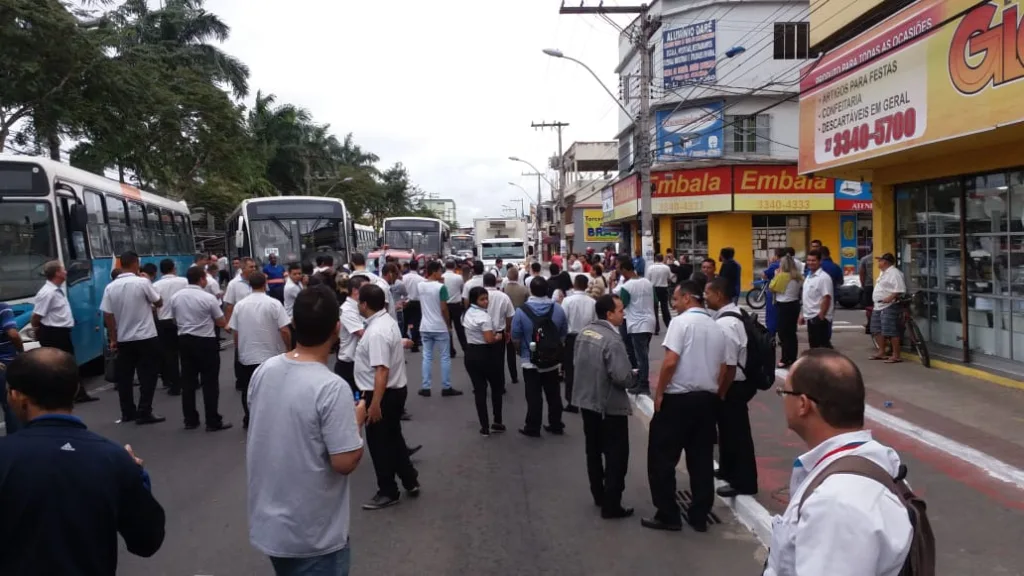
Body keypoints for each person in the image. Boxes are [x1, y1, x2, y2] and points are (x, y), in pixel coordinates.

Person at [0, 348, 165, 574]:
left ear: (18, 397)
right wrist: (137, 477)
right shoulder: (113, 458)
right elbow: (147, 541)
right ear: (76, 388)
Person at [247, 285, 366, 575]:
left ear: (295, 324)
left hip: (270, 524)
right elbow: (344, 461)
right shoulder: (331, 387)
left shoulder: (265, 370)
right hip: (313, 535)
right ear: (337, 329)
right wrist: (356, 420)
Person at [763, 349, 913, 576]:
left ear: (803, 404)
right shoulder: (871, 461)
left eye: (784, 393)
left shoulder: (836, 503)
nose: (782, 399)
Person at [643, 280, 727, 533]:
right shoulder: (716, 326)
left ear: (688, 298)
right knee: (701, 460)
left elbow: (670, 362)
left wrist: (659, 394)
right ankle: (699, 515)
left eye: (676, 299)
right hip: (706, 400)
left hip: (679, 399)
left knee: (661, 458)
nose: (674, 305)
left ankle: (668, 514)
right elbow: (724, 366)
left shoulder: (681, 323)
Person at [353, 284, 420, 510]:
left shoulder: (377, 332)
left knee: (379, 444)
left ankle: (388, 490)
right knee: (393, 438)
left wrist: (375, 403)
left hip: (383, 392)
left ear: (364, 304)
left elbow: (382, 370)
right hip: (392, 390)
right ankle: (409, 479)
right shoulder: (385, 322)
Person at [573, 294, 637, 519]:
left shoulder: (585, 332)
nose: (624, 314)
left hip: (587, 401)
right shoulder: (613, 340)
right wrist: (633, 377)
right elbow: (622, 377)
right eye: (620, 310)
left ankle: (598, 494)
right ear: (609, 314)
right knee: (616, 456)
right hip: (609, 406)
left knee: (593, 450)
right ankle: (612, 504)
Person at [705, 277, 758, 498]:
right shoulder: (736, 313)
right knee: (727, 431)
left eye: (708, 293)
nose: (705, 297)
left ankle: (743, 482)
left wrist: (721, 392)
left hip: (734, 385)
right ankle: (727, 470)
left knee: (736, 433)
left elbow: (728, 366)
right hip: (738, 382)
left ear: (719, 295)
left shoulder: (725, 324)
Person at [101, 250, 166, 425]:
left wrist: (114, 338)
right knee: (148, 375)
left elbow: (107, 314)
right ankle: (145, 410)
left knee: (125, 377)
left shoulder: (110, 287)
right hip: (146, 336)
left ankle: (127, 412)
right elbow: (158, 301)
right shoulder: (142, 282)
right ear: (136, 263)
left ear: (121, 264)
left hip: (124, 338)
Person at [169, 267, 231, 431]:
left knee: (188, 382)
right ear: (202, 279)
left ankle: (190, 419)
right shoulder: (208, 298)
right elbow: (220, 321)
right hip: (205, 341)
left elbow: (174, 319)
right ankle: (212, 420)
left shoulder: (176, 297)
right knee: (210, 382)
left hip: (184, 340)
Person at [230, 272, 292, 429]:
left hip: (247, 354)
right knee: (273, 388)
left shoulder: (240, 305)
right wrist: (288, 348)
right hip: (271, 354)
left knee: (248, 388)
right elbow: (284, 330)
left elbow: (235, 331)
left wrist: (238, 348)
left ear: (250, 285)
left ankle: (249, 417)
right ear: (265, 284)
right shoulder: (274, 304)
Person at [31, 260, 97, 403]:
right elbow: (36, 316)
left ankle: (78, 393)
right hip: (53, 333)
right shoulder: (47, 293)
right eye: (63, 270)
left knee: (68, 363)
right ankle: (55, 396)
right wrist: (37, 330)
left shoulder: (57, 290)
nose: (66, 272)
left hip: (61, 332)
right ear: (57, 273)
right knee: (57, 365)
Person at [511, 276, 568, 437]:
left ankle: (533, 426)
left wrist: (521, 351)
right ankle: (556, 423)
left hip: (530, 360)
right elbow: (563, 334)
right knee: (553, 394)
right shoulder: (558, 309)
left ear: (530, 290)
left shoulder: (521, 311)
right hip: (552, 360)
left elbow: (515, 336)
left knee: (533, 395)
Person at [463, 286, 506, 435]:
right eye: (482, 299)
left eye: (486, 298)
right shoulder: (484, 317)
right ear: (476, 300)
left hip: (470, 354)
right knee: (496, 388)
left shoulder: (467, 313)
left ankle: (484, 426)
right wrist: (498, 337)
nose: (486, 301)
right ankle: (497, 420)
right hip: (487, 354)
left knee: (479, 390)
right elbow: (489, 339)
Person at [417, 260, 460, 397]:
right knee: (445, 357)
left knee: (427, 357)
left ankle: (426, 387)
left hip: (425, 326)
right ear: (435, 272)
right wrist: (448, 325)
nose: (441, 273)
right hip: (439, 326)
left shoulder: (420, 286)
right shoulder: (441, 288)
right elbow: (443, 308)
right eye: (440, 271)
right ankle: (446, 387)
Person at [614, 254, 656, 393]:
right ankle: (639, 380)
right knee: (643, 354)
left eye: (620, 269)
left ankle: (643, 384)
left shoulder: (627, 286)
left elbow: (622, 305)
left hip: (636, 324)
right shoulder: (647, 282)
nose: (619, 271)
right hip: (649, 322)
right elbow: (655, 301)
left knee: (640, 356)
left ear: (625, 269)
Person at [560, 274, 596, 414]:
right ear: (586, 286)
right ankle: (586, 400)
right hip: (587, 336)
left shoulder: (567, 301)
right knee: (586, 369)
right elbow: (595, 321)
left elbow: (563, 320)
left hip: (571, 337)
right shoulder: (592, 302)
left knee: (570, 370)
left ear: (575, 284)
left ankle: (572, 401)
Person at [151, 259, 187, 397]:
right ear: (174, 268)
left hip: (164, 322)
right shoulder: (184, 282)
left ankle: (175, 385)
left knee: (170, 355)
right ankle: (189, 381)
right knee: (185, 353)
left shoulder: (156, 285)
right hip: (183, 320)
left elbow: (154, 306)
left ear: (160, 271)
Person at [224, 257, 255, 394]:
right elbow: (230, 305)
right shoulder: (233, 284)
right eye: (251, 267)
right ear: (242, 269)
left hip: (256, 321)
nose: (254, 269)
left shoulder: (258, 281)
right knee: (240, 350)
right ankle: (241, 380)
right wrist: (228, 323)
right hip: (241, 324)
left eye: (255, 267)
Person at [870, 253, 907, 364]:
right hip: (878, 305)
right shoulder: (883, 273)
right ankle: (881, 352)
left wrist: (890, 298)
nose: (878, 262)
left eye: (880, 260)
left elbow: (900, 289)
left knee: (890, 330)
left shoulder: (894, 273)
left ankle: (896, 355)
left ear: (885, 262)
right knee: (876, 329)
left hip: (889, 305)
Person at [337, 275, 370, 396]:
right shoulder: (347, 310)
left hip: (360, 361)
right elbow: (362, 333)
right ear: (355, 291)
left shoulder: (361, 306)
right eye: (366, 289)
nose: (369, 292)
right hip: (349, 364)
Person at [483, 272, 514, 392]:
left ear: (484, 283)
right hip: (499, 332)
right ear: (495, 282)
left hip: (482, 332)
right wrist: (507, 329)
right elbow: (510, 315)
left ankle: (485, 384)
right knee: (499, 360)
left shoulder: (479, 295)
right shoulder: (503, 296)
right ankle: (500, 386)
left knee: (485, 359)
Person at [772, 254, 803, 368]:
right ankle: (792, 357)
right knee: (791, 333)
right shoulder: (798, 276)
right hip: (794, 304)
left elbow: (772, 287)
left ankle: (785, 358)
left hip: (783, 305)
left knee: (783, 333)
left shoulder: (782, 276)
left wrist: (776, 275)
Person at [801, 250, 834, 349]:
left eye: (813, 260)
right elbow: (807, 297)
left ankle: (829, 364)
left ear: (820, 261)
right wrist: (802, 314)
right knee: (814, 347)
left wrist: (821, 316)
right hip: (810, 317)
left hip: (819, 318)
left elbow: (827, 298)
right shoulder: (809, 276)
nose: (810, 263)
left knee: (821, 348)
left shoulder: (823, 277)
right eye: (809, 260)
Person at [0, 301, 25, 433]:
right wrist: (21, 352)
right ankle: (16, 441)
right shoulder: (3, 308)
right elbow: (13, 334)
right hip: (5, 364)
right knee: (11, 403)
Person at [502, 268, 528, 385]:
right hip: (521, 321)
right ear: (518, 277)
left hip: (507, 322)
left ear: (508, 277)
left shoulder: (504, 290)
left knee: (509, 351)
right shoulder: (523, 289)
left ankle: (512, 375)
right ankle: (526, 371)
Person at [443, 260, 467, 358]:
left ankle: (450, 350)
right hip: (456, 305)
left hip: (445, 305)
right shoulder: (458, 277)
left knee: (448, 327)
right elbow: (462, 289)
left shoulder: (442, 277)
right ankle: (465, 348)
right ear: (454, 266)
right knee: (460, 328)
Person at [646, 254, 672, 335]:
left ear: (655, 259)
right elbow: (669, 277)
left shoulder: (650, 268)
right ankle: (669, 326)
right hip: (663, 288)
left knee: (654, 309)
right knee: (665, 308)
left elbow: (648, 279)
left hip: (654, 289)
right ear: (662, 259)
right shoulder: (666, 267)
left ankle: (656, 328)